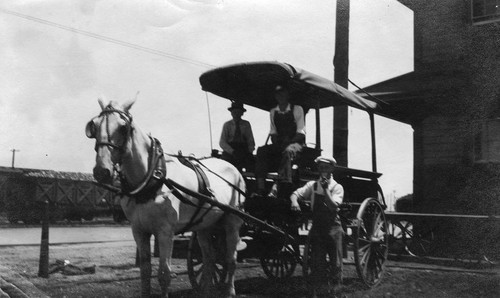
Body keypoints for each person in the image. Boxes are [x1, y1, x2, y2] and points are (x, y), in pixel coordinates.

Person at [290, 156, 344, 297]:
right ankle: (318, 293)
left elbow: (333, 206)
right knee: (317, 263)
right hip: (318, 227)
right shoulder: (312, 185)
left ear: (332, 169)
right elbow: (296, 194)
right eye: (320, 167)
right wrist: (294, 201)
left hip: (333, 227)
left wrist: (326, 190)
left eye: (326, 167)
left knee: (336, 264)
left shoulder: (337, 187)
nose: (323, 170)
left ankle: (335, 293)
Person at [254, 84, 305, 196]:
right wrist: (277, 141)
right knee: (261, 150)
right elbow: (273, 132)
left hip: (295, 144)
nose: (280, 96)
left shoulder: (297, 109)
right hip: (280, 143)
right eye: (278, 94)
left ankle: (280, 186)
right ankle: (261, 187)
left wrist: (289, 141)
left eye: (283, 94)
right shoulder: (273, 111)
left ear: (287, 95)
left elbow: (301, 132)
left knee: (287, 152)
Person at [219, 101, 255, 171]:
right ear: (231, 113)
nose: (236, 114)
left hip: (243, 150)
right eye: (234, 112)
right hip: (230, 151)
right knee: (222, 167)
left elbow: (250, 141)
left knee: (252, 167)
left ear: (242, 113)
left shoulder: (246, 124)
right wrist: (232, 152)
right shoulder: (227, 125)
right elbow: (222, 142)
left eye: (238, 112)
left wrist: (249, 152)